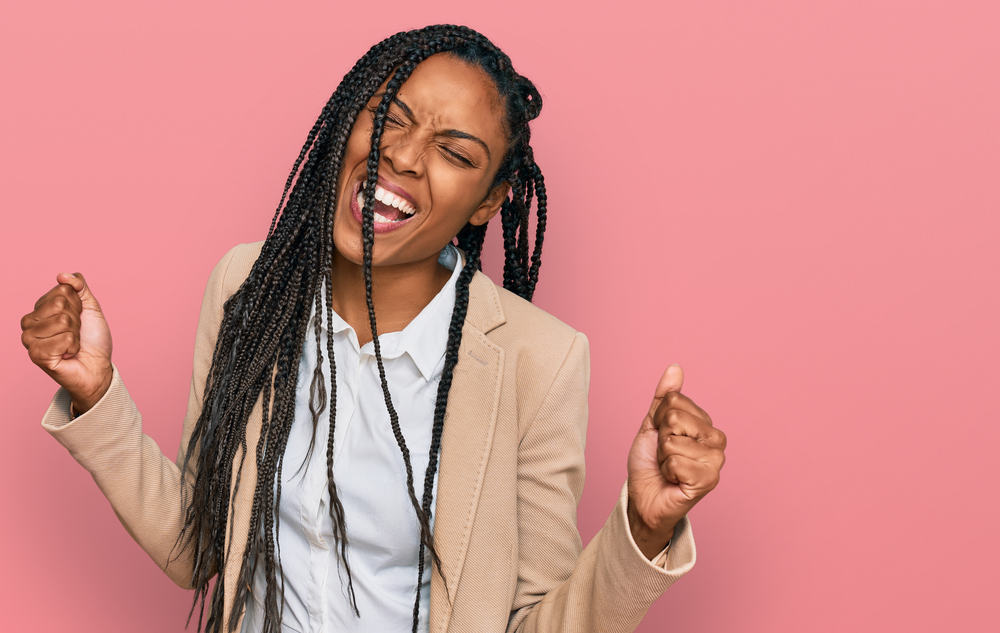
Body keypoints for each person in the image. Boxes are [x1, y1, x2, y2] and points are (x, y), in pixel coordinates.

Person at [21, 24, 727, 633]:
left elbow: (531, 619)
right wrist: (96, 394)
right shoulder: (248, 286)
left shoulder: (538, 359)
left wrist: (643, 526)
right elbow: (198, 547)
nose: (405, 155)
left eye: (456, 152)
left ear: (488, 202)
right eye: (389, 115)